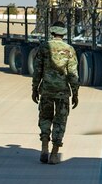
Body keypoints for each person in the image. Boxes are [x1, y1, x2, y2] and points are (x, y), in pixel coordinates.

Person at [32, 24, 79, 164]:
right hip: (62, 93)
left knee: (45, 118)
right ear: (64, 33)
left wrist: (34, 88)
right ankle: (53, 154)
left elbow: (37, 70)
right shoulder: (69, 50)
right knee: (60, 121)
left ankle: (44, 148)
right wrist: (75, 93)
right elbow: (73, 73)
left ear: (52, 32)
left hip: (46, 90)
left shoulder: (44, 47)